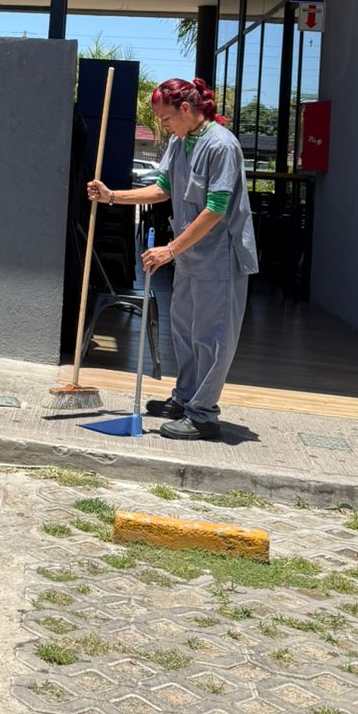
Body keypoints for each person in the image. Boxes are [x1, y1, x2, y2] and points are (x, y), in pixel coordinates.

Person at [87, 77, 258, 441]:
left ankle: (203, 415)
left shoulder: (222, 145)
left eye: (165, 118)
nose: (163, 125)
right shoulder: (180, 143)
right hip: (190, 256)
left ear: (186, 108)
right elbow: (162, 189)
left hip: (220, 257)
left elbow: (215, 209)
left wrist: (170, 250)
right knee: (184, 330)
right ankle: (185, 398)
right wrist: (112, 196)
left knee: (212, 336)